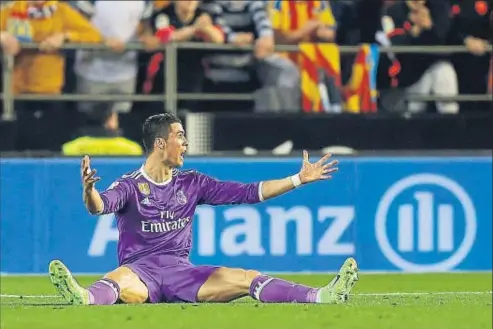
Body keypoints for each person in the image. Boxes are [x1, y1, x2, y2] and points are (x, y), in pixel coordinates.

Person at [48, 113, 359, 305]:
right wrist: (89, 190)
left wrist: (297, 179)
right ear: (160, 144)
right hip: (140, 273)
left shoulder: (192, 183)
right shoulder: (130, 185)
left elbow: (249, 193)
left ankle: (322, 296)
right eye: (179, 136)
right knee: (117, 280)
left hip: (183, 274)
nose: (185, 143)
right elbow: (99, 206)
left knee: (246, 277)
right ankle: (84, 297)